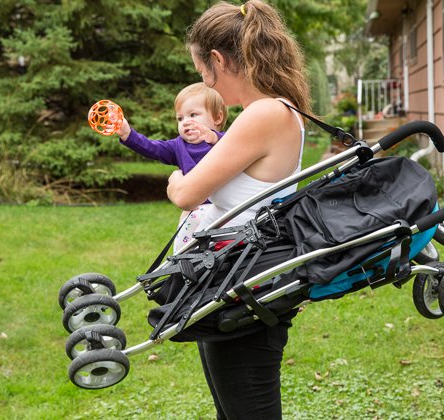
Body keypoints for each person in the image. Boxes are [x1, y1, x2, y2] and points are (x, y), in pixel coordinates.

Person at [166, 1, 311, 418]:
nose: (205, 84)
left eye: (201, 74)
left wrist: (175, 179)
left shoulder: (263, 113)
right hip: (231, 280)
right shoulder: (272, 109)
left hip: (246, 288)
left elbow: (186, 193)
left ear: (216, 60)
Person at [115, 83, 228, 251]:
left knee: (224, 254)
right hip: (193, 214)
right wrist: (127, 135)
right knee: (187, 252)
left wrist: (214, 137)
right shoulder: (177, 146)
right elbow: (152, 148)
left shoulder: (226, 141)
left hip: (225, 212)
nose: (185, 122)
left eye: (193, 115)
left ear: (217, 118)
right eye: (180, 118)